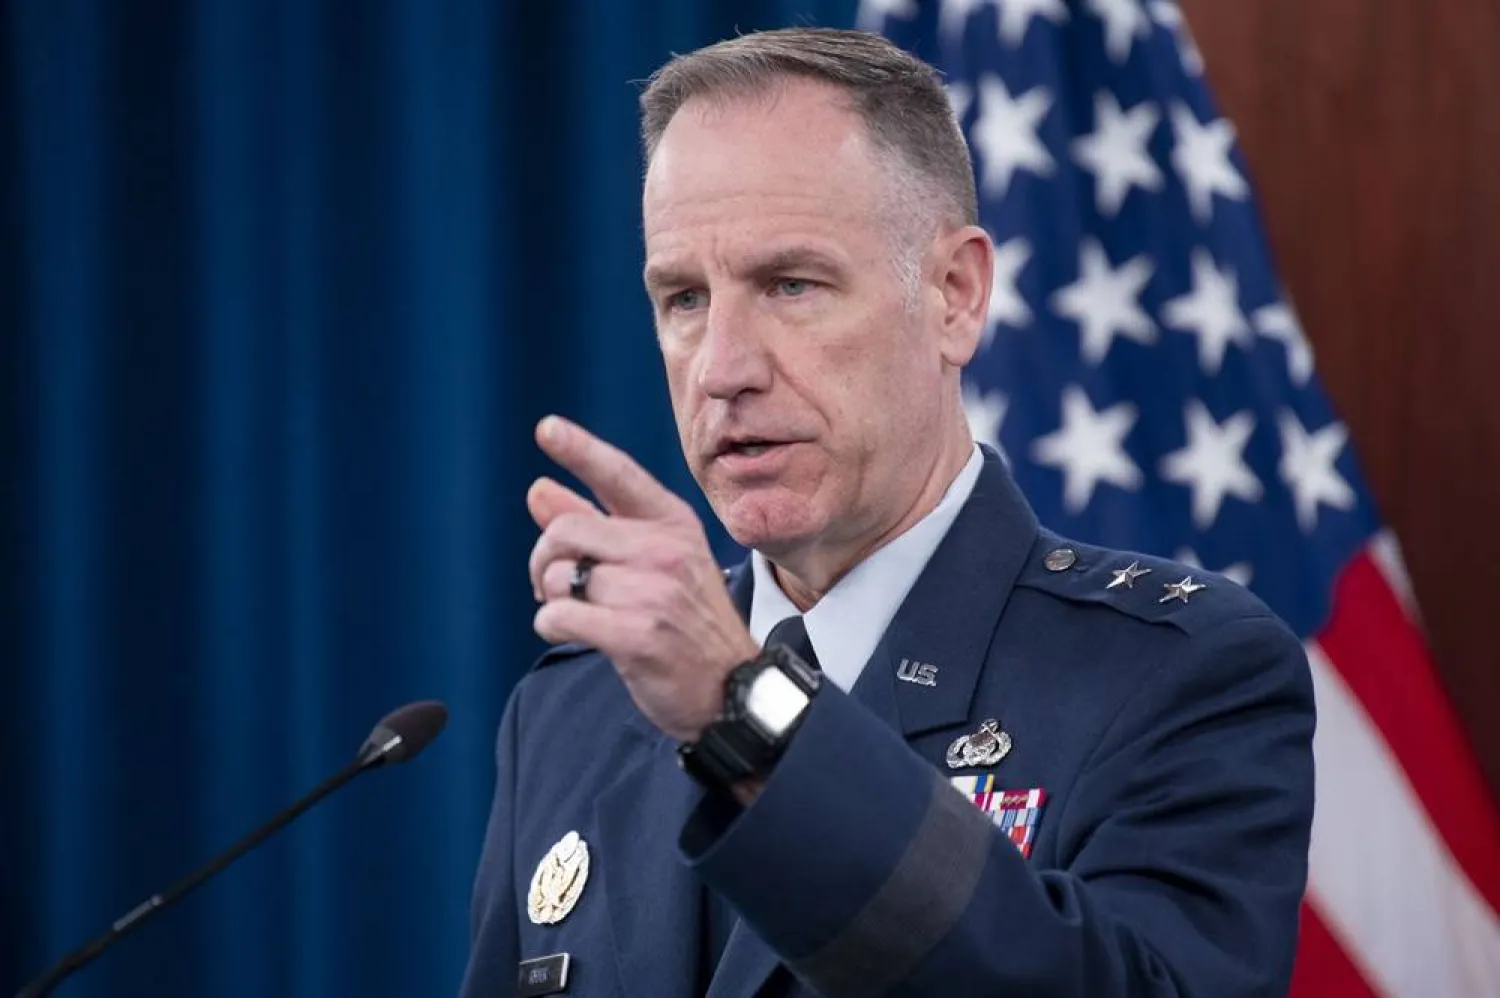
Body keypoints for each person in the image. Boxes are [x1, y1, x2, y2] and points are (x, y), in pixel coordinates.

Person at [461, 26, 1314, 998]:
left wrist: (744, 712)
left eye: (792, 284)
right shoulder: (572, 711)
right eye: (684, 297)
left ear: (955, 295)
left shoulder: (1177, 672)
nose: (723, 368)